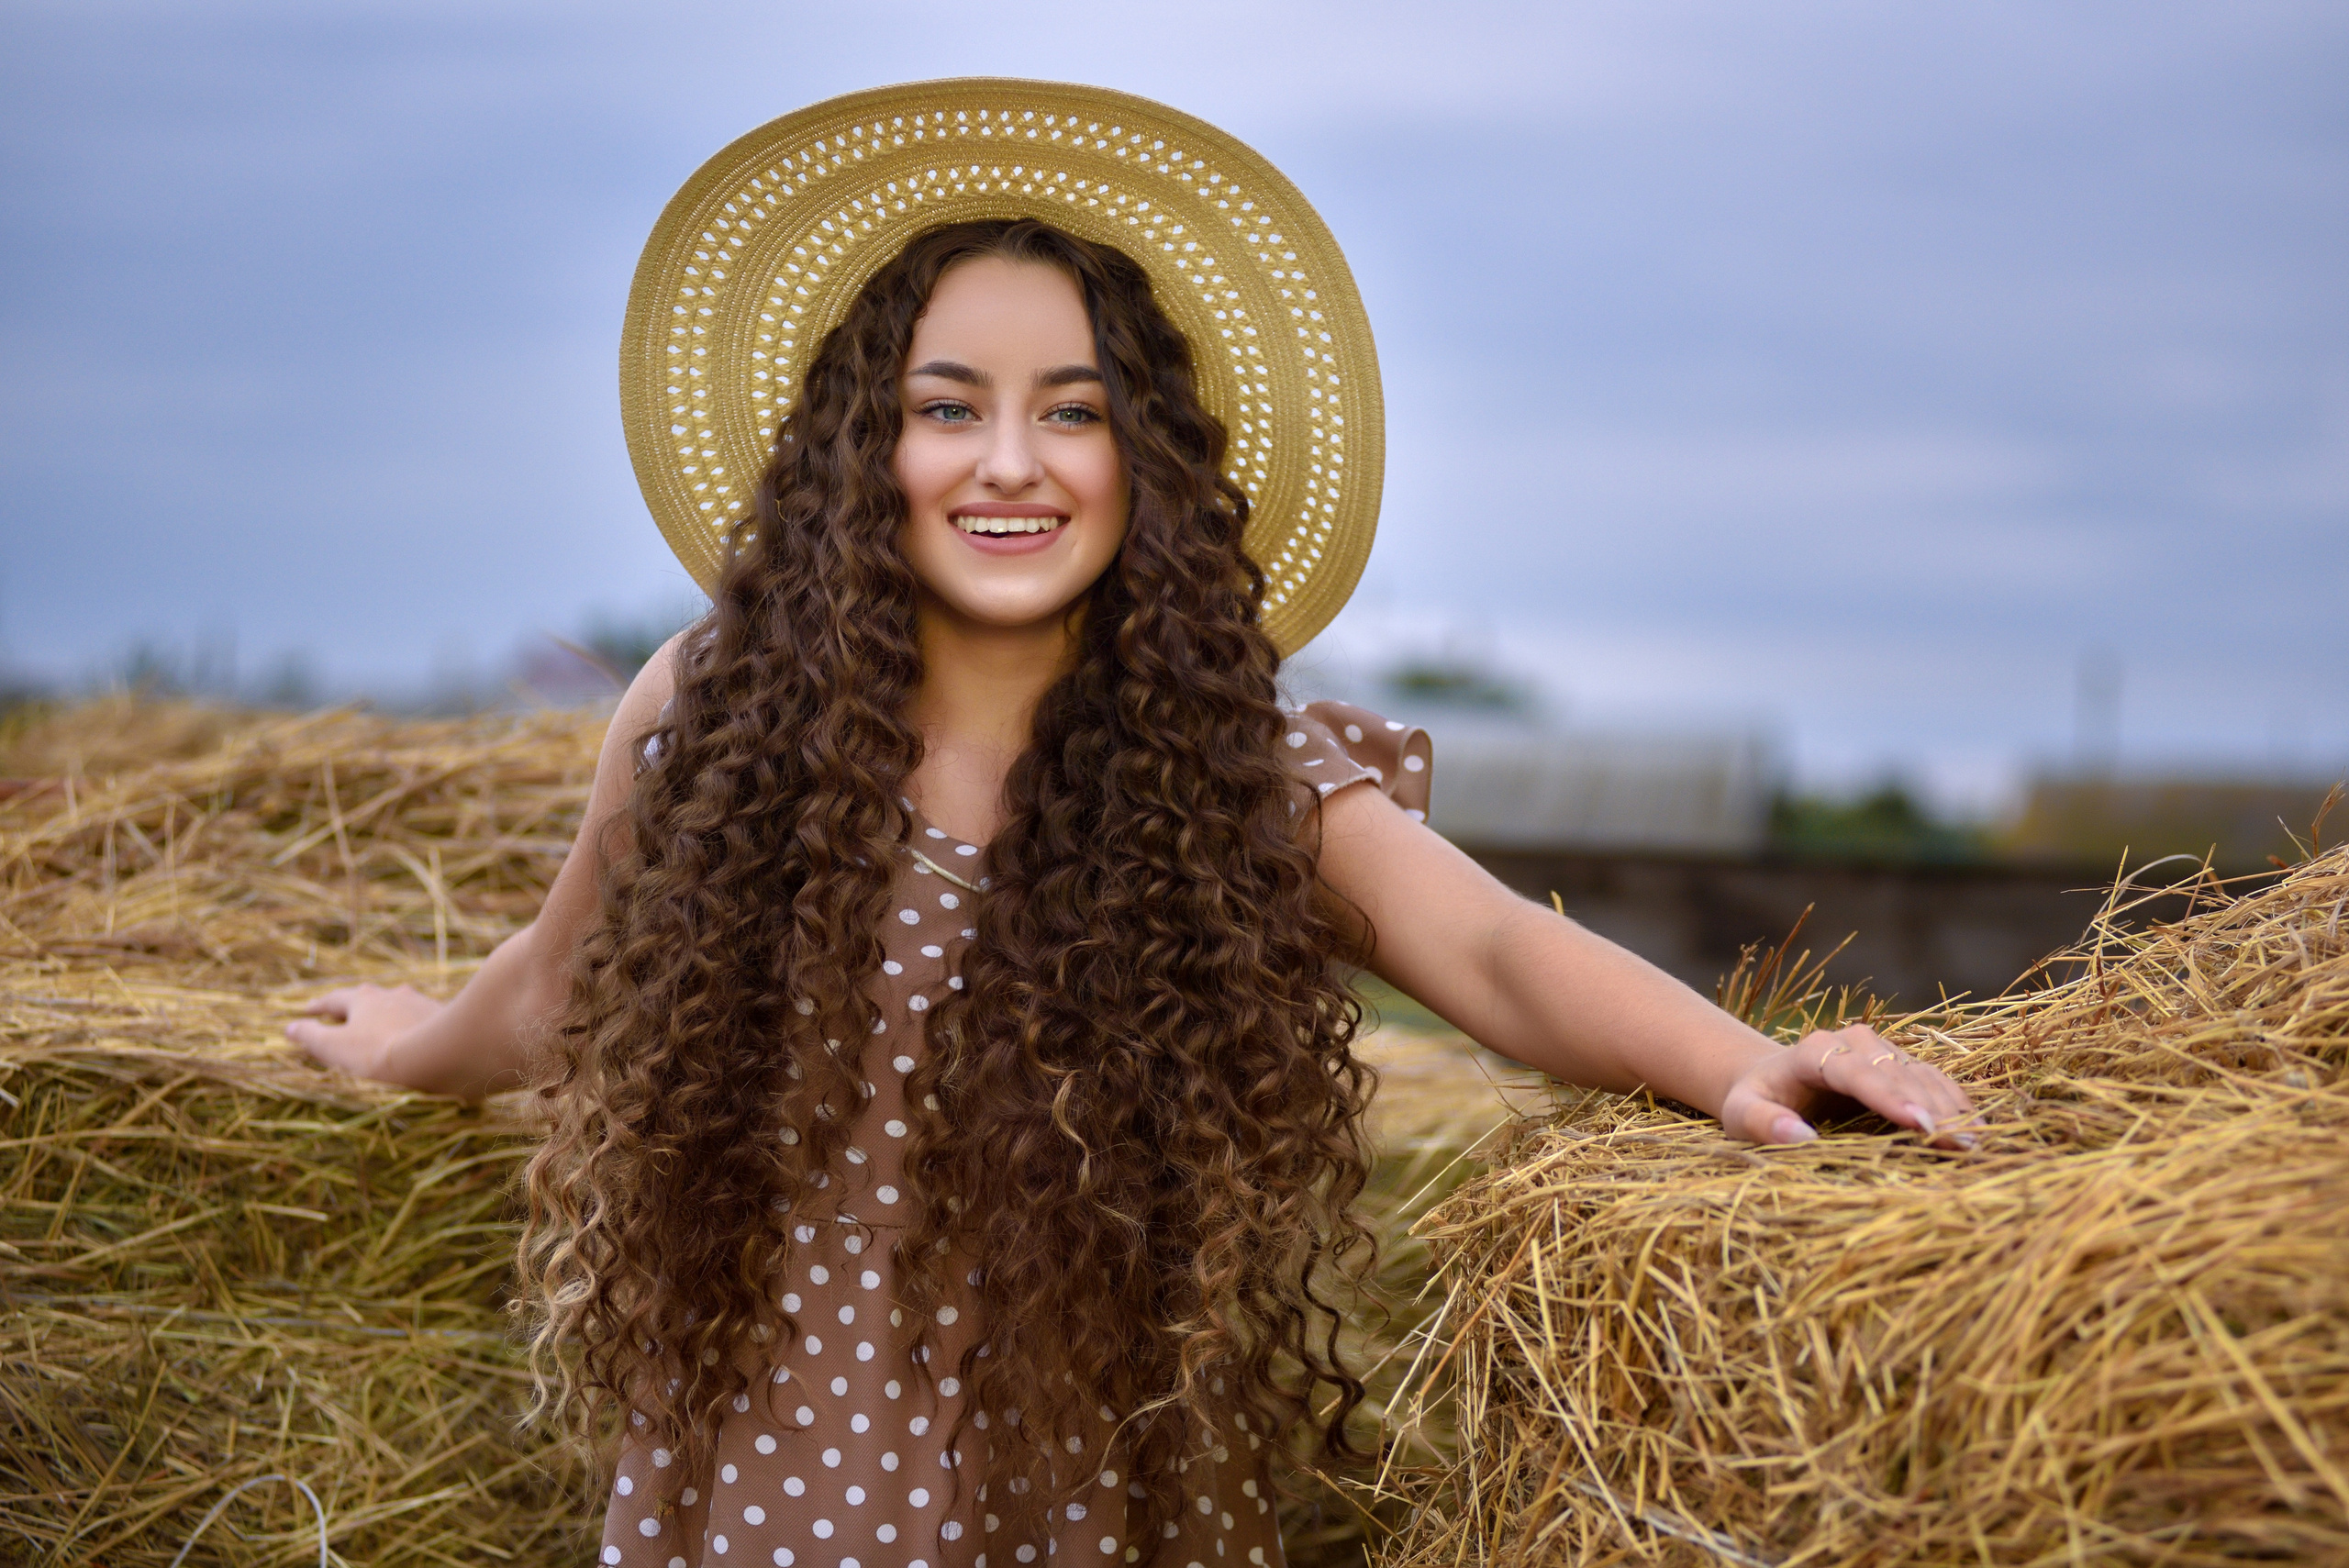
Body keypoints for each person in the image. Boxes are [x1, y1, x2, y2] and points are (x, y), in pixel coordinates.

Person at [289, 83, 1974, 1568]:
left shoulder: (1220, 760)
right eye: (948, 405)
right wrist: (406, 1051)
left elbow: (1489, 943)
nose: (1009, 460)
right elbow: (562, 979)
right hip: (767, 1491)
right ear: (858, 447)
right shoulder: (713, 708)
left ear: (1145, 457)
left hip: (1085, 1502)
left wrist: (1744, 1063)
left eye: (1074, 408)